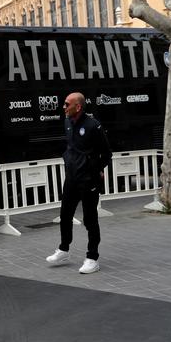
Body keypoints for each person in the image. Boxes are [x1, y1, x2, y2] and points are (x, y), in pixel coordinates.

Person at [46, 92, 112, 274]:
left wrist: (95, 169)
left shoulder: (93, 126)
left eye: (67, 104)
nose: (64, 107)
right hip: (72, 179)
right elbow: (71, 147)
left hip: (88, 180)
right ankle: (63, 249)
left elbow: (106, 154)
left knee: (90, 219)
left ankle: (92, 258)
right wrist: (68, 160)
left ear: (78, 107)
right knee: (65, 215)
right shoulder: (67, 122)